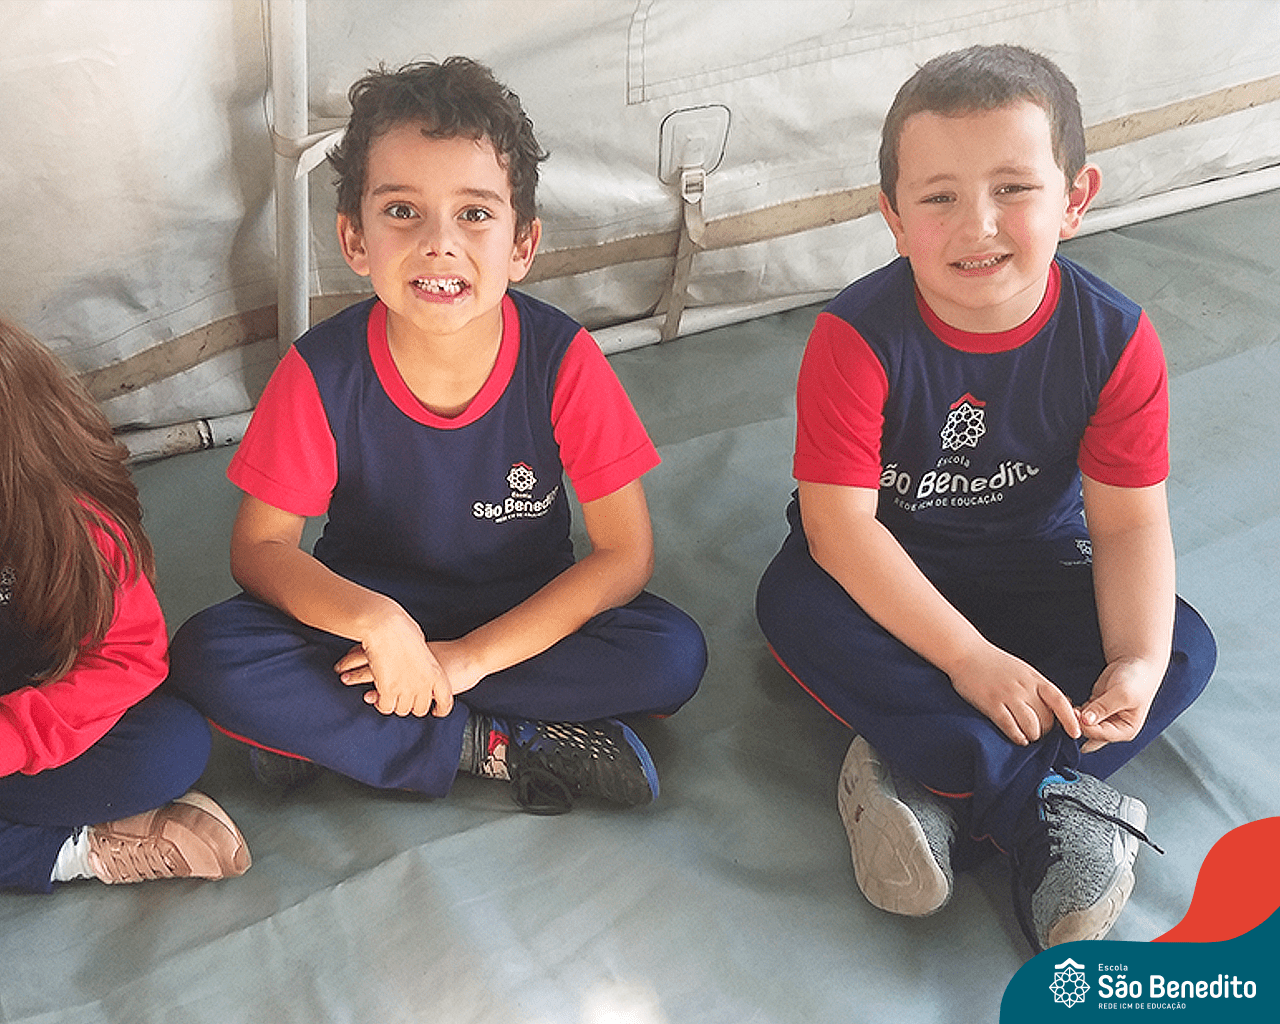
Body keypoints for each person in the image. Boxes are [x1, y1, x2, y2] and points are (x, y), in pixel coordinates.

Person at [755, 44, 1216, 951]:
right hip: (883, 570)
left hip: (1035, 565)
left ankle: (924, 782)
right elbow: (839, 529)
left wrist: (1134, 660)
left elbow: (1129, 523)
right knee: (790, 603)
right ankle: (1051, 812)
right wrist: (967, 658)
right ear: (893, 218)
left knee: (1182, 648)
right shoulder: (854, 336)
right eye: (939, 198)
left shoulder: (1116, 338)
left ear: (1074, 199)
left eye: (1013, 188)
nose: (978, 225)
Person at [168, 57, 706, 816]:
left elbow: (624, 555)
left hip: (521, 620)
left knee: (670, 653)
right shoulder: (319, 371)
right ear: (354, 239)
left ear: (523, 245)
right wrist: (377, 622)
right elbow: (260, 550)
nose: (439, 243)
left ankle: (339, 732)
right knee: (210, 653)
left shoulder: (564, 360)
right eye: (402, 211)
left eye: (475, 214)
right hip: (366, 626)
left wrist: (466, 661)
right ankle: (494, 745)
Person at [0, 318, 250, 892]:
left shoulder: (79, 529)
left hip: (41, 717)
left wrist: (15, 735)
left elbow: (126, 661)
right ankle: (78, 852)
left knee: (172, 745)